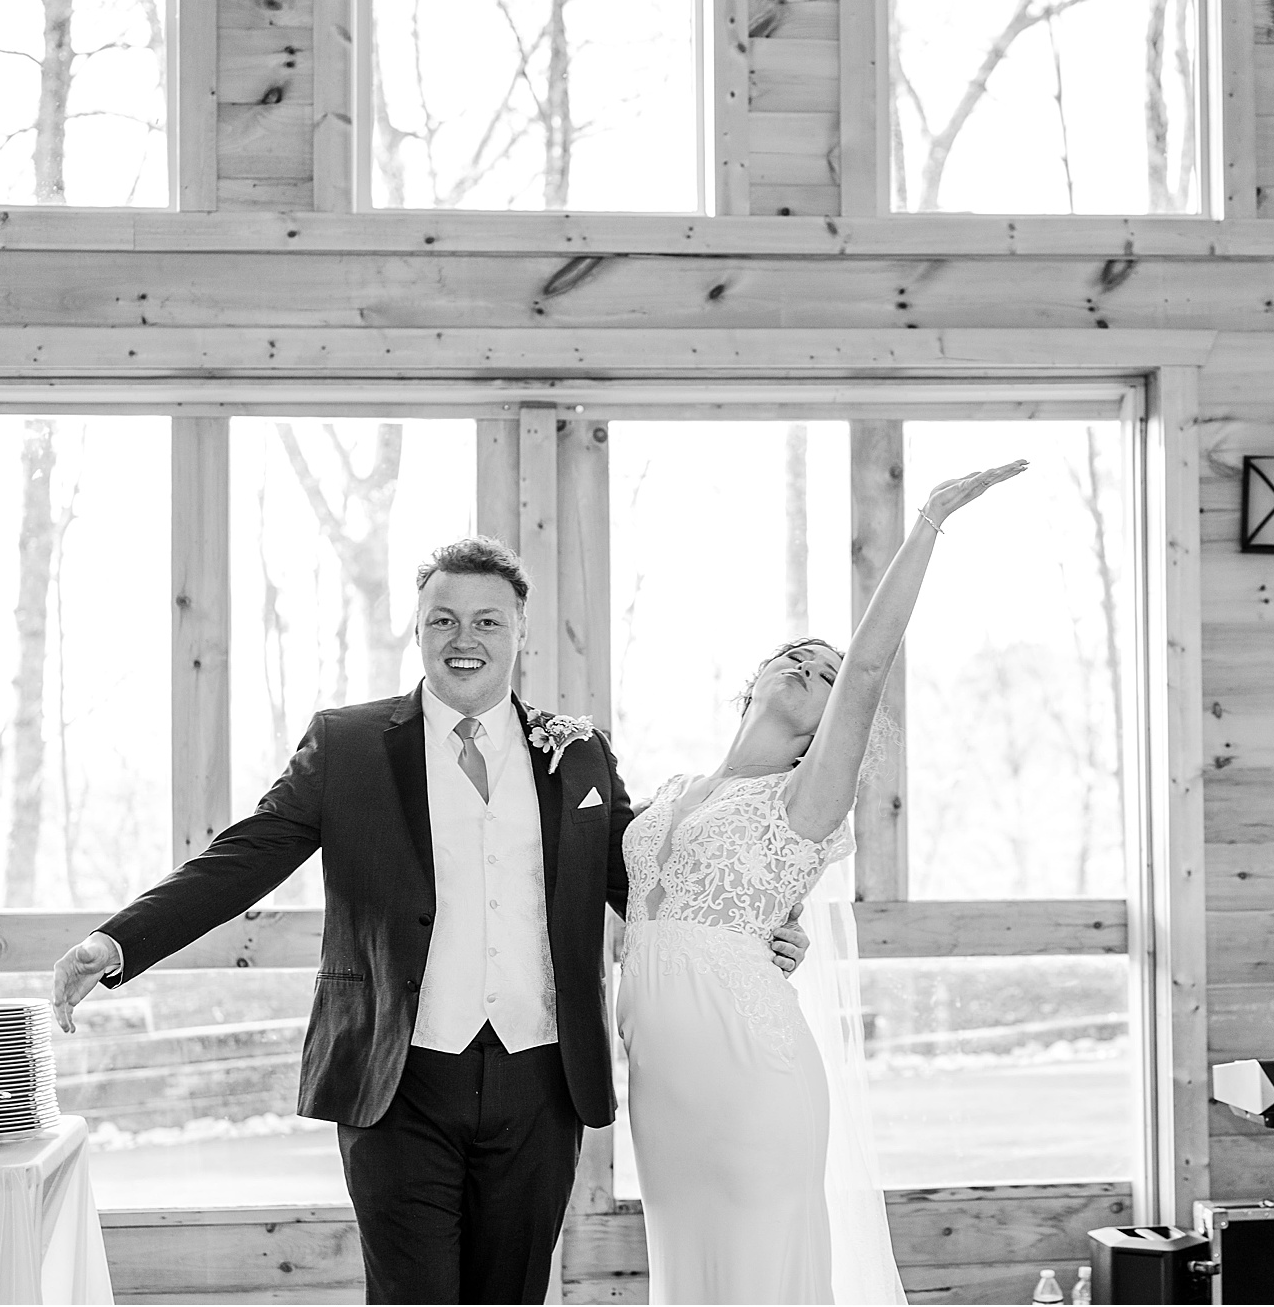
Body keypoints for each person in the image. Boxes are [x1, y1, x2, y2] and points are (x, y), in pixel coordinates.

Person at [51, 538, 809, 1304]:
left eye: (486, 622)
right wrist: (115, 939)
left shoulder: (578, 756)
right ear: (417, 631)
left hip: (542, 1081)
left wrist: (755, 931)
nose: (464, 640)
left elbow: (648, 881)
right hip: (397, 1078)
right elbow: (246, 856)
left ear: (520, 632)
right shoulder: (347, 744)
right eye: (442, 620)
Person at [619, 459, 1027, 1304]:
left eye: (828, 673)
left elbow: (872, 667)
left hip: (748, 1071)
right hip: (660, 1081)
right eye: (797, 657)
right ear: (753, 683)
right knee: (688, 1271)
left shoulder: (805, 800)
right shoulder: (668, 794)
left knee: (762, 1272)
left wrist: (928, 522)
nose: (812, 666)